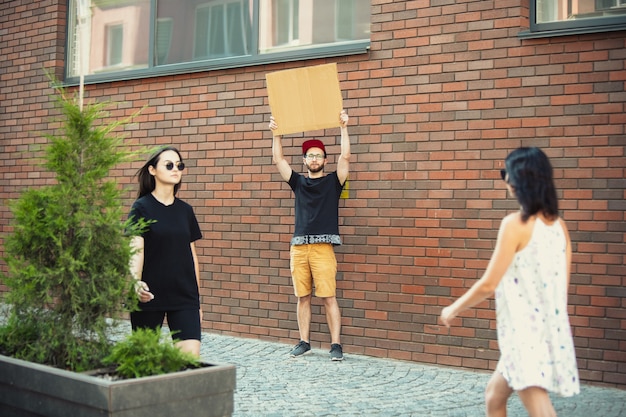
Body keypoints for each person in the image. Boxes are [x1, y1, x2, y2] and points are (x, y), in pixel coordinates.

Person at [440, 147, 580, 417]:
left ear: (518, 179)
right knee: (494, 396)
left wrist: (453, 309)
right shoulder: (559, 226)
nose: (505, 179)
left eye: (506, 172)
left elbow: (488, 284)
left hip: (524, 334)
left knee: (541, 409)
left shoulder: (515, 224)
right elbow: (562, 286)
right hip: (548, 331)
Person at [269, 110, 350, 361]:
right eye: (310, 155)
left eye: (318, 155)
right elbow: (278, 159)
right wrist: (276, 134)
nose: (314, 159)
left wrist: (343, 127)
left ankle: (336, 345)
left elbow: (346, 157)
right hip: (299, 248)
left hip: (324, 248)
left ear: (325, 160)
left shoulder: (334, 183)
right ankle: (304, 341)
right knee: (302, 297)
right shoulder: (298, 183)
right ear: (304, 160)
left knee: (328, 296)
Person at [128, 146, 203, 357]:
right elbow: (136, 249)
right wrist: (135, 281)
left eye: (179, 165)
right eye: (169, 165)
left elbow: (192, 257)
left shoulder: (185, 211)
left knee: (189, 362)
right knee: (144, 361)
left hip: (184, 296)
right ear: (152, 170)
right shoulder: (141, 207)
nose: (175, 169)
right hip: (149, 294)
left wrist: (196, 300)